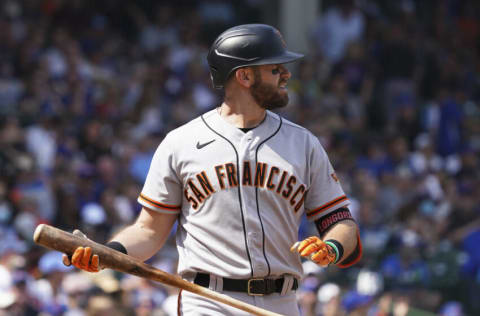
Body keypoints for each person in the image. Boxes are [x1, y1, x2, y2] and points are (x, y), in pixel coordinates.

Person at [62, 24, 362, 316]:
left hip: (281, 301)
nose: (286, 74)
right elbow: (149, 230)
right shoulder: (181, 143)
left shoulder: (304, 143)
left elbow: (341, 222)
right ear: (244, 76)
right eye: (275, 68)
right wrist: (108, 252)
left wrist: (332, 246)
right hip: (209, 300)